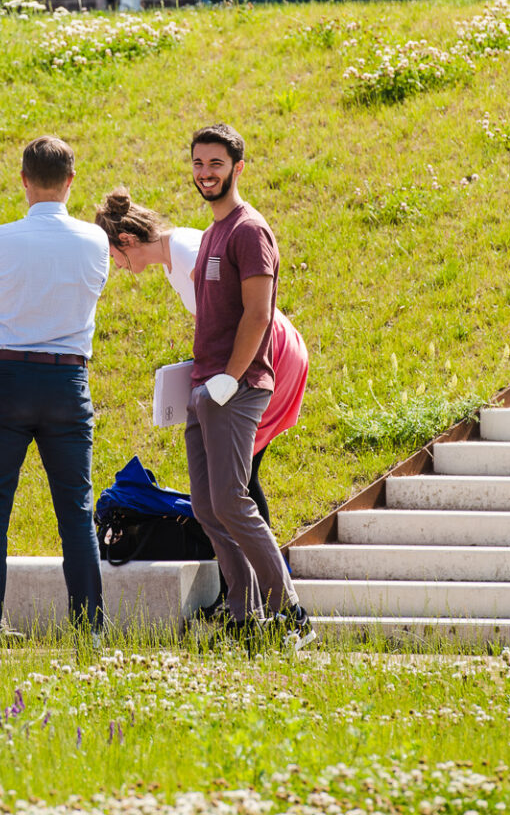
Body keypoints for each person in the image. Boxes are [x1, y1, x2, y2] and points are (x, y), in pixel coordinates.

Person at [0, 136, 112, 640]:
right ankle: (89, 629)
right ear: (70, 182)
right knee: (76, 511)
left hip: (4, 378)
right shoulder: (95, 240)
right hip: (67, 378)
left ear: (23, 181)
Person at [92, 188, 309, 529]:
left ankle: (262, 573)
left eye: (113, 256)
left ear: (126, 240)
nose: (117, 265)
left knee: (237, 478)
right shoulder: (171, 262)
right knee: (239, 475)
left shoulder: (185, 250)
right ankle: (259, 571)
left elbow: (238, 305)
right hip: (258, 349)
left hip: (265, 348)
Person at [183, 123, 314, 647]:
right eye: (197, 164)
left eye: (215, 164)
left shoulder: (248, 229)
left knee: (234, 501)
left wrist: (229, 378)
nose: (205, 173)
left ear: (237, 168)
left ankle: (293, 615)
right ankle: (243, 614)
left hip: (237, 388)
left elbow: (259, 314)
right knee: (206, 505)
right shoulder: (214, 231)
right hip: (204, 387)